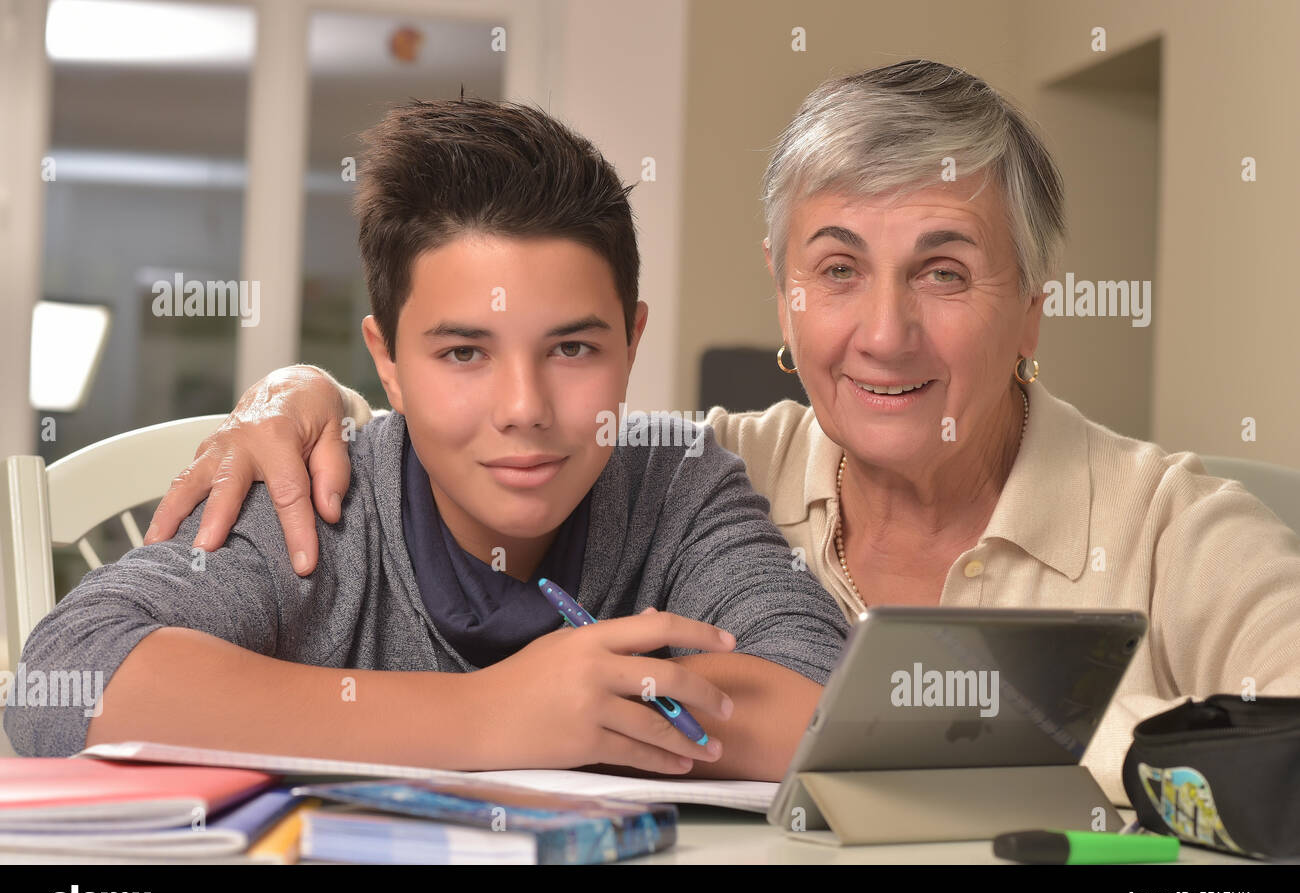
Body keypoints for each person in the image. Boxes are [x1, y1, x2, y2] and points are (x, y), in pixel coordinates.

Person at [147, 60, 1300, 807]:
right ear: (784, 294)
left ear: (1032, 304)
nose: (884, 333)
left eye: (942, 271)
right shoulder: (706, 467)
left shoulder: (1175, 527)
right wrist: (294, 397)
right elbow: (485, 438)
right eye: (837, 270)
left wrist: (1081, 748)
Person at [5, 99, 851, 779]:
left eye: (572, 348)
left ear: (631, 342)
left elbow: (823, 702)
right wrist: (494, 716)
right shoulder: (320, 504)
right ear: (389, 363)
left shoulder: (676, 483)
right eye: (463, 353)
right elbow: (64, 677)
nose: (524, 407)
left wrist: (582, 708)